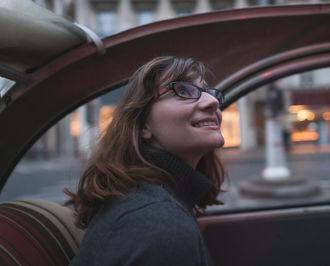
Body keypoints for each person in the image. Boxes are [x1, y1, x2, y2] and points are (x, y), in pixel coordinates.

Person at [66, 56, 226, 266]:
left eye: (208, 91)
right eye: (184, 91)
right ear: (144, 125)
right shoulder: (159, 224)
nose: (212, 101)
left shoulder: (147, 201)